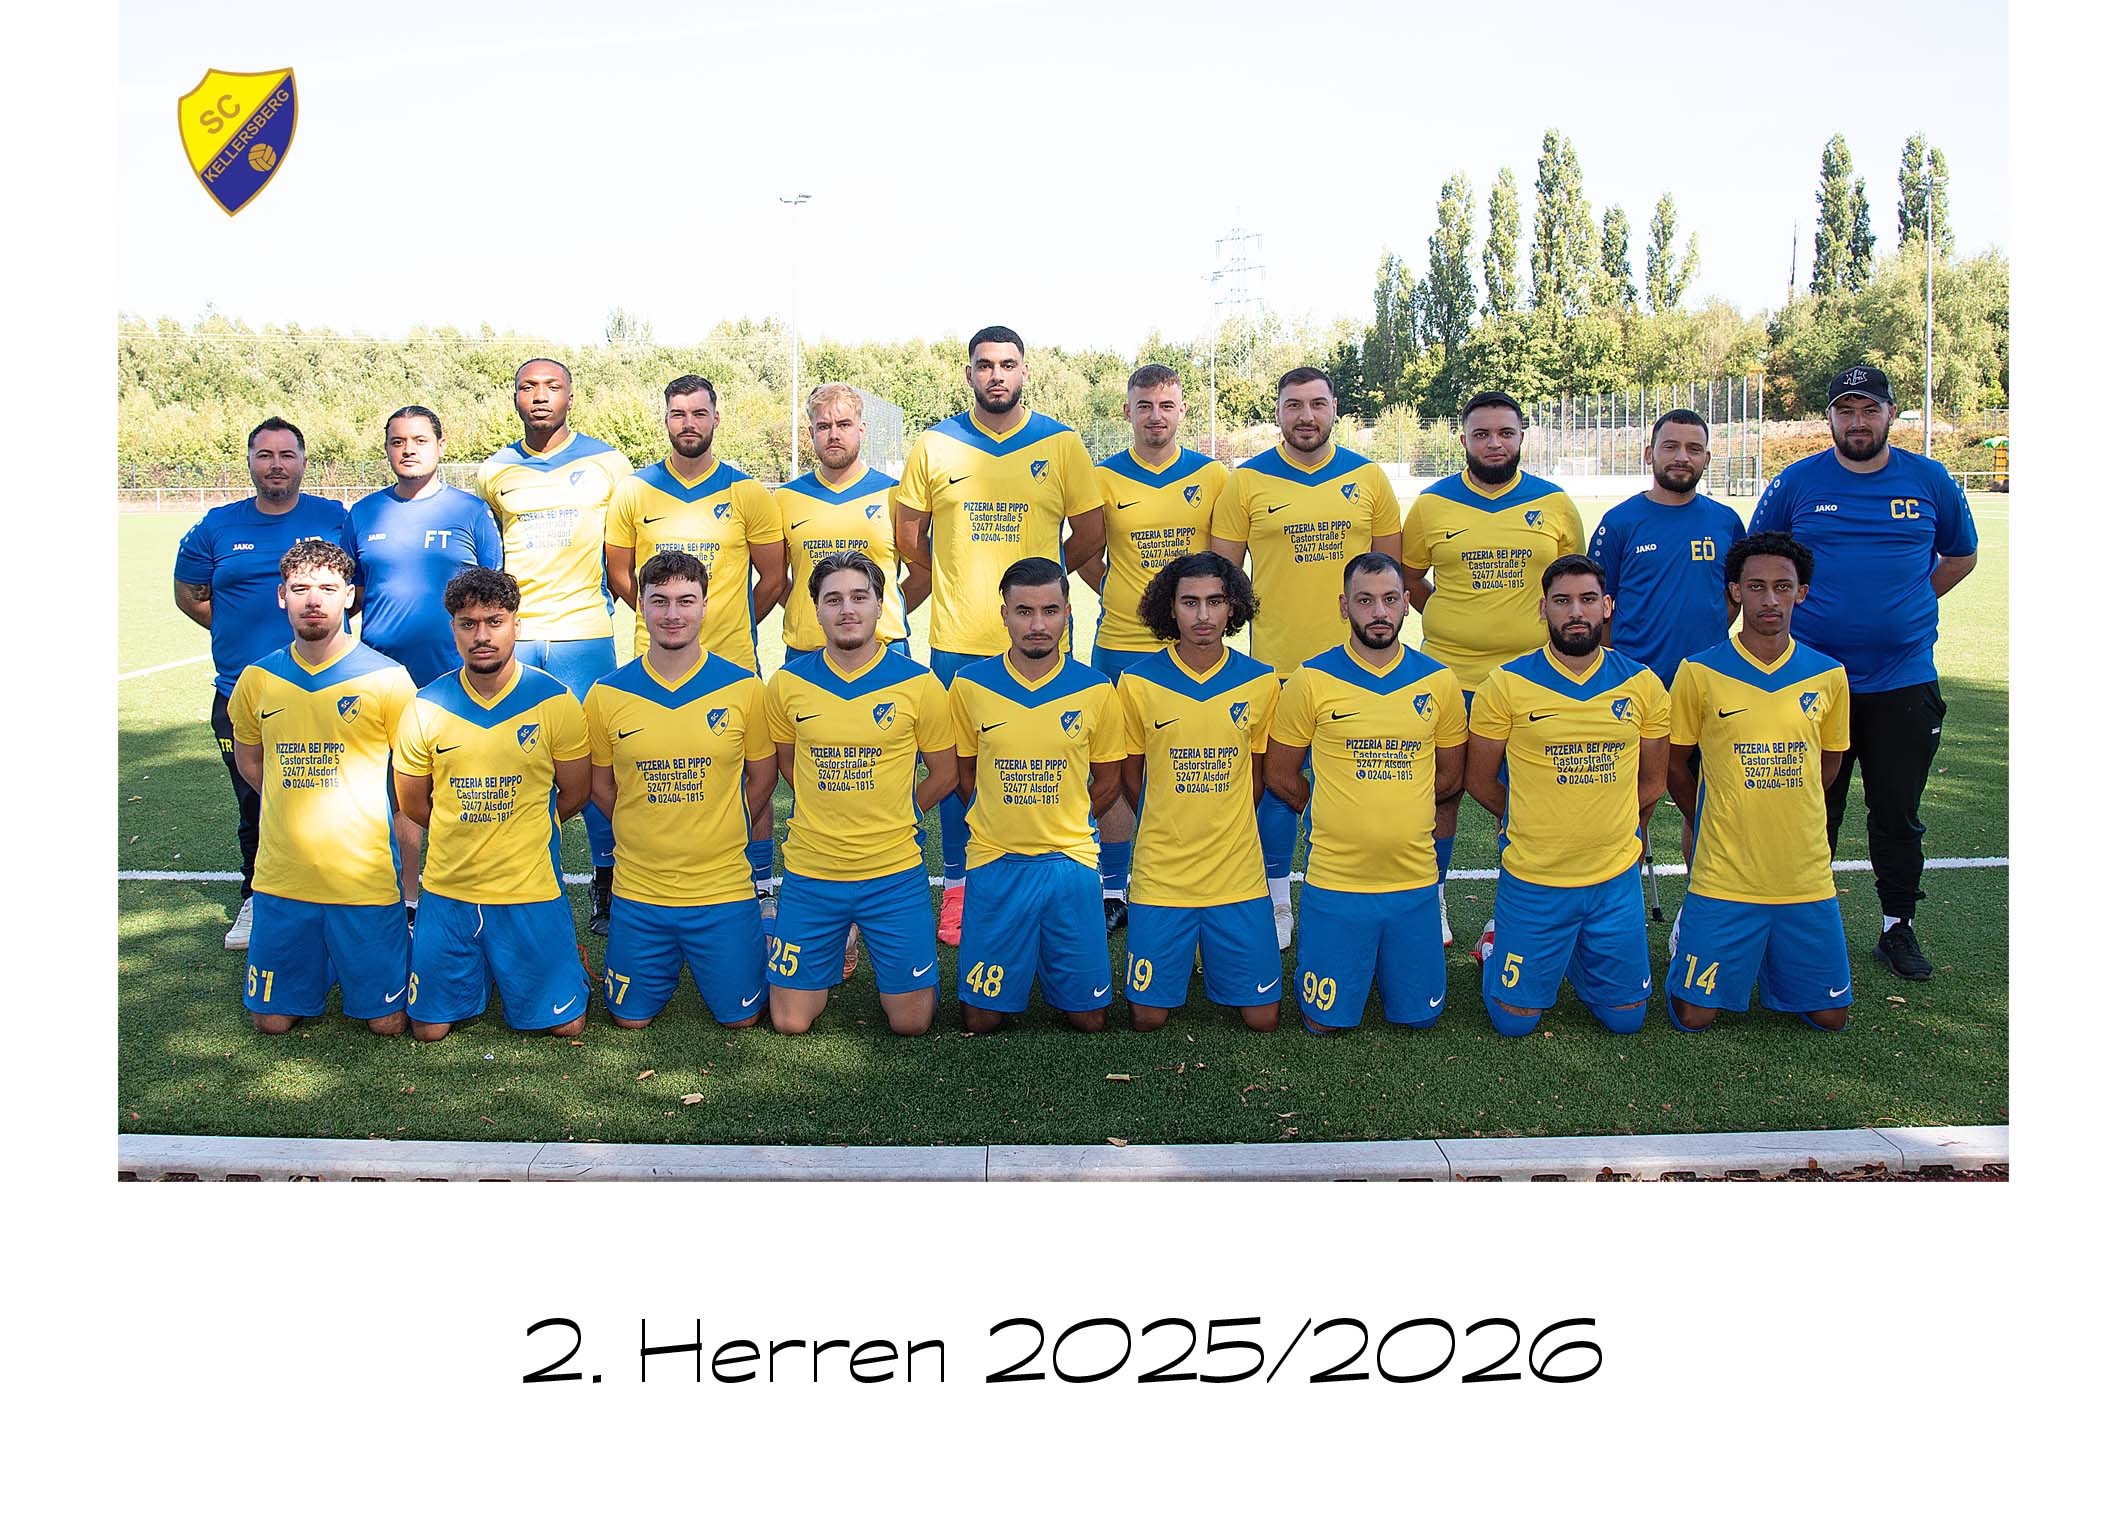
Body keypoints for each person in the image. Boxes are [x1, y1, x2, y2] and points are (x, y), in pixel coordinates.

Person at [1748, 364, 1979, 981]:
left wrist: (1909, 605)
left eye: (1869, 410)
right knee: (1809, 809)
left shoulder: (1929, 479)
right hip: (1811, 683)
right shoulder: (1796, 483)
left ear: (1890, 415)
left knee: (1896, 812)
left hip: (1903, 680)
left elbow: (1961, 555)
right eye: (1846, 410)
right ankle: (1798, 924)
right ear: (1829, 417)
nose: (1858, 421)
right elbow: (1757, 561)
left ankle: (1897, 926)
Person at [895, 326, 1106, 944]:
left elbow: (1090, 535)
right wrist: (951, 573)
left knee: (1052, 764)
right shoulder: (935, 444)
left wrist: (1042, 587)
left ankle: (1064, 878)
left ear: (1023, 372)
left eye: (1007, 365)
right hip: (959, 638)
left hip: (1041, 641)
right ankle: (960, 889)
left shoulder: (1061, 444)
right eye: (984, 365)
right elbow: (910, 537)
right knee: (958, 771)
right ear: (969, 374)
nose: (996, 376)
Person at [1208, 366, 1402, 948]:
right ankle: (1275, 899)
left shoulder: (1368, 478)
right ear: (1278, 412)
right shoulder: (1246, 481)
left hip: (1359, 668)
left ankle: (1359, 890)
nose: (1306, 416)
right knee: (1276, 786)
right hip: (1277, 666)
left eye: (1317, 404)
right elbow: (1224, 577)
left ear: (1335, 408)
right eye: (1294, 405)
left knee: (1365, 783)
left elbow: (1390, 576)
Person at [1402, 390, 1586, 950]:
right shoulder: (1432, 505)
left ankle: (1516, 907)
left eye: (1505, 433)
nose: (1494, 444)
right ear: (1463, 440)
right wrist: (1452, 616)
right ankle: (1431, 899)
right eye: (1481, 434)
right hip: (1450, 676)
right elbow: (1408, 578)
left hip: (1532, 679)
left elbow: (1573, 585)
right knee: (1443, 791)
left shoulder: (1554, 504)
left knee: (1528, 794)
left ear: (1522, 436)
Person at [605, 373, 785, 931]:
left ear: (716, 419)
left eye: (699, 413)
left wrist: (731, 622)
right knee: (656, 774)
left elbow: (774, 577)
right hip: (653, 666)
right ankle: (643, 880)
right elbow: (618, 572)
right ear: (666, 420)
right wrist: (665, 622)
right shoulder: (634, 491)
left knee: (751, 775)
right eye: (678, 413)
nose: (689, 423)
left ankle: (758, 886)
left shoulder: (746, 492)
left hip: (733, 662)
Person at [172, 415, 359, 950]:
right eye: (265, 455)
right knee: (255, 799)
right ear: (251, 462)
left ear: (303, 462)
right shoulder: (216, 526)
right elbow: (190, 595)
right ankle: (258, 895)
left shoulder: (335, 518)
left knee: (341, 793)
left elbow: (355, 589)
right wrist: (239, 633)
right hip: (241, 690)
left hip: (328, 689)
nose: (276, 465)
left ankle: (346, 891)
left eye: (286, 455)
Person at [1466, 556, 1669, 1037]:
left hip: (1613, 880)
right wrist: (1526, 817)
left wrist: (1617, 827)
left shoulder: (1641, 684)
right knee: (1514, 1023)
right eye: (1562, 601)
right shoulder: (1506, 684)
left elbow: (1653, 782)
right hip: (1535, 878)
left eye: (1587, 599)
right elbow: (1479, 780)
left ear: (1607, 606)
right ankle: (1496, 944)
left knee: (1626, 1020)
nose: (1576, 611)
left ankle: (1576, 948)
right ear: (1543, 609)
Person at [1267, 553, 1467, 1034]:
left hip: (1413, 882)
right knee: (1323, 1023)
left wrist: (1401, 807)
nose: (1379, 612)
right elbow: (1279, 773)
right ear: (1344, 606)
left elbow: (1449, 778)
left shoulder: (1438, 681)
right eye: (1365, 600)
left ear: (1406, 604)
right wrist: (1330, 808)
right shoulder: (1311, 680)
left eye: (1390, 599)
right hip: (1337, 881)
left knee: (1421, 1019)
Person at [392, 567, 593, 1042]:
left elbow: (576, 792)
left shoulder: (555, 700)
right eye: (468, 624)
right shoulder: (426, 705)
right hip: (449, 888)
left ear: (516, 625)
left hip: (529, 887)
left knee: (567, 1025)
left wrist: (524, 827)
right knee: (428, 1030)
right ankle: (483, 963)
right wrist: (464, 827)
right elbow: (413, 802)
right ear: (454, 629)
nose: (481, 636)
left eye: (494, 622)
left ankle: (564, 960)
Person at [765, 553, 960, 1037]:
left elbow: (945, 773)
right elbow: (787, 761)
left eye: (859, 597)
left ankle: (858, 935)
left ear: (879, 605)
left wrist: (901, 810)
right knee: (790, 1022)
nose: (847, 609)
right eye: (833, 599)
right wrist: (825, 803)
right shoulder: (787, 684)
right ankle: (816, 932)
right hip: (813, 870)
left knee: (912, 1023)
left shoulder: (918, 684)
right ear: (816, 609)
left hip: (892, 872)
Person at [1665, 533, 1853, 1032]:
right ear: (1735, 591)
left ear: (1801, 593)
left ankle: (1772, 954)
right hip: (1725, 871)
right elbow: (1675, 764)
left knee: (1831, 1017)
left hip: (1803, 872)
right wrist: (1702, 815)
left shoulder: (1829, 675)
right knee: (1694, 1016)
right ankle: (1695, 941)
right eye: (1756, 587)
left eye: (1782, 587)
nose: (1770, 599)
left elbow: (1829, 764)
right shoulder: (1699, 672)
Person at [227, 539, 416, 1035]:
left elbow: (412, 776)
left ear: (349, 597)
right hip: (283, 875)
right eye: (301, 588)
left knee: (388, 1023)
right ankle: (320, 960)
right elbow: (251, 763)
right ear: (281, 596)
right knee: (271, 1022)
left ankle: (367, 952)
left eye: (328, 589)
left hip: (363, 875)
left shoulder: (388, 678)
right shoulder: (257, 679)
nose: (314, 600)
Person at [584, 551, 777, 1031]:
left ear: (705, 605)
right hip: (640, 888)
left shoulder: (744, 688)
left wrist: (726, 823)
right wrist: (640, 823)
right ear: (641, 606)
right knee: (629, 1019)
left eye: (686, 601)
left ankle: (764, 927)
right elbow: (600, 784)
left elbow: (763, 776)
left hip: (721, 886)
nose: (673, 614)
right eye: (660, 601)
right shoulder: (607, 694)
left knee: (742, 1020)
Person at [474, 358, 632, 932]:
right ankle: (521, 876)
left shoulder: (609, 463)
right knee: (516, 760)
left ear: (571, 395)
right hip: (516, 636)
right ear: (515, 397)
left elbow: (623, 550)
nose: (540, 396)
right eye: (528, 387)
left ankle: (608, 879)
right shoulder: (494, 472)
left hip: (583, 634)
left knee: (593, 761)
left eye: (552, 386)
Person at [947, 557, 1123, 1034]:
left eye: (1050, 610)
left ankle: (1051, 960)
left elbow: (1109, 781)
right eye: (1024, 611)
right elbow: (964, 773)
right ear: (1004, 614)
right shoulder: (969, 686)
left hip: (1070, 861)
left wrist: (1066, 818)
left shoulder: (1096, 689)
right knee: (981, 1019)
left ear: (1068, 612)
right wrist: (1000, 816)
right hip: (995, 859)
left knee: (1090, 1019)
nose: (1038, 624)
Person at [1087, 362, 1230, 930]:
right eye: (1144, 406)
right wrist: (1119, 592)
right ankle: (1114, 886)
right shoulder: (1102, 477)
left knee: (1190, 764)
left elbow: (1224, 561)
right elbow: (1088, 554)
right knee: (1117, 766)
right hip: (1121, 641)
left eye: (1166, 406)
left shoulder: (1212, 476)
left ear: (1182, 411)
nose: (1155, 416)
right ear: (1127, 411)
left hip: (1190, 646)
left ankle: (1187, 876)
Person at [348, 404, 504, 923]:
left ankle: (478, 892)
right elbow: (352, 595)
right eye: (398, 441)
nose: (408, 449)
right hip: (382, 678)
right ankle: (410, 902)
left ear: (440, 446)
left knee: (468, 785)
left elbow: (495, 593)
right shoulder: (364, 514)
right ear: (387, 449)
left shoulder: (471, 512)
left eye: (419, 440)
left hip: (457, 675)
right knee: (400, 792)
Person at [1115, 552, 1281, 1031]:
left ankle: (1212, 948)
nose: (1203, 615)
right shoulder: (1137, 683)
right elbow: (1131, 777)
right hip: (1163, 872)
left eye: (1215, 601)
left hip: (1237, 872)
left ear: (1233, 608)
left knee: (1263, 1018)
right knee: (1147, 1018)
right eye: (1190, 602)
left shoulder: (1261, 681)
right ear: (1170, 608)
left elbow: (1257, 777)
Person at [1586, 406, 1745, 882]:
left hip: (1708, 688)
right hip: (1639, 688)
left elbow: (1733, 597)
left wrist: (1707, 638)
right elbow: (1599, 607)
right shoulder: (1620, 523)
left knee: (1707, 804)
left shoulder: (1726, 522)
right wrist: (1617, 670)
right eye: (1670, 446)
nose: (1681, 457)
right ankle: (1620, 907)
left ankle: (1703, 905)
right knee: (1633, 805)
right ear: (1649, 453)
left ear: (1707, 458)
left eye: (1693, 448)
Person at [774, 382, 923, 659]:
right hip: (808, 651)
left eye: (844, 425)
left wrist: (876, 611)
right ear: (811, 433)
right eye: (823, 426)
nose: (834, 435)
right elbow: (776, 581)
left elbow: (923, 573)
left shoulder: (893, 494)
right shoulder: (785, 498)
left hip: (883, 649)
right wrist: (816, 611)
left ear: (861, 429)